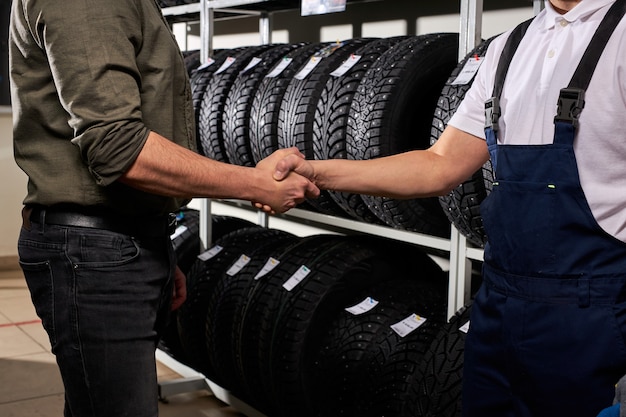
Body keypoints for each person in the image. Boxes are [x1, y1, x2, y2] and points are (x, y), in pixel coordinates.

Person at [270, 0, 626, 415]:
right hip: (498, 306)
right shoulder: (508, 47)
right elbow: (439, 165)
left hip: (593, 317)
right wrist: (315, 172)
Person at [9, 1, 318, 416]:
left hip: (118, 242)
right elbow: (118, 147)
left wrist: (152, 243)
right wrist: (254, 184)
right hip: (96, 253)